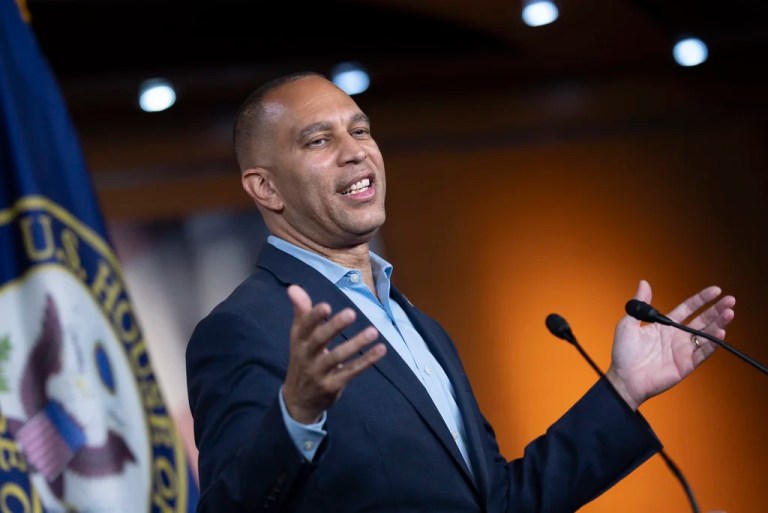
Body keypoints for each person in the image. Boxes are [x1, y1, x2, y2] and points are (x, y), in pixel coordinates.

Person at [185, 71, 736, 513]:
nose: (355, 151)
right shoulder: (242, 328)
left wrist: (622, 390)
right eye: (318, 140)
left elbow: (499, 501)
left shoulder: (417, 325)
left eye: (359, 130)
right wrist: (297, 414)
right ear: (265, 187)